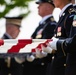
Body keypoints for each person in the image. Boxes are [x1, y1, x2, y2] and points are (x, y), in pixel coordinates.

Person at [39, 0, 76, 75]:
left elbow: (72, 44)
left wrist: (58, 44)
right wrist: (47, 54)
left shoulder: (70, 15)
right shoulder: (64, 15)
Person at [23, 0, 56, 75]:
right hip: (36, 65)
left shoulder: (51, 25)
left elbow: (47, 46)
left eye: (40, 5)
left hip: (42, 66)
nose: (38, 7)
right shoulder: (42, 25)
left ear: (48, 7)